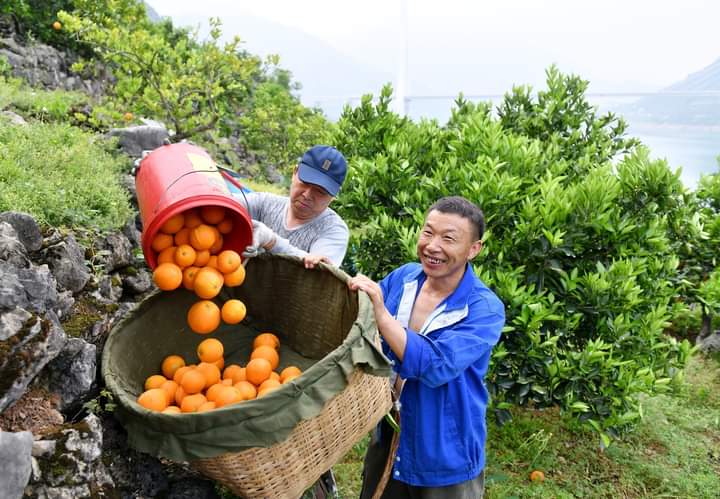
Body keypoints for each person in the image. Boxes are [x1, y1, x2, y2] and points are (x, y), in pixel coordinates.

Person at [348, 196, 505, 498]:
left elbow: (435, 365)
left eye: (449, 238)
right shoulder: (405, 277)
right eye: (428, 232)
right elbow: (363, 322)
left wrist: (381, 315)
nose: (433, 245)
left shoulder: (483, 309)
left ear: (474, 249)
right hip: (389, 433)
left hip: (445, 452)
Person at [239, 145, 350, 268]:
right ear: (295, 172)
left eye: (320, 192)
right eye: (305, 183)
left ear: (333, 196)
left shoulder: (333, 230)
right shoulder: (264, 203)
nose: (307, 195)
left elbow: (319, 271)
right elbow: (225, 203)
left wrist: (271, 241)